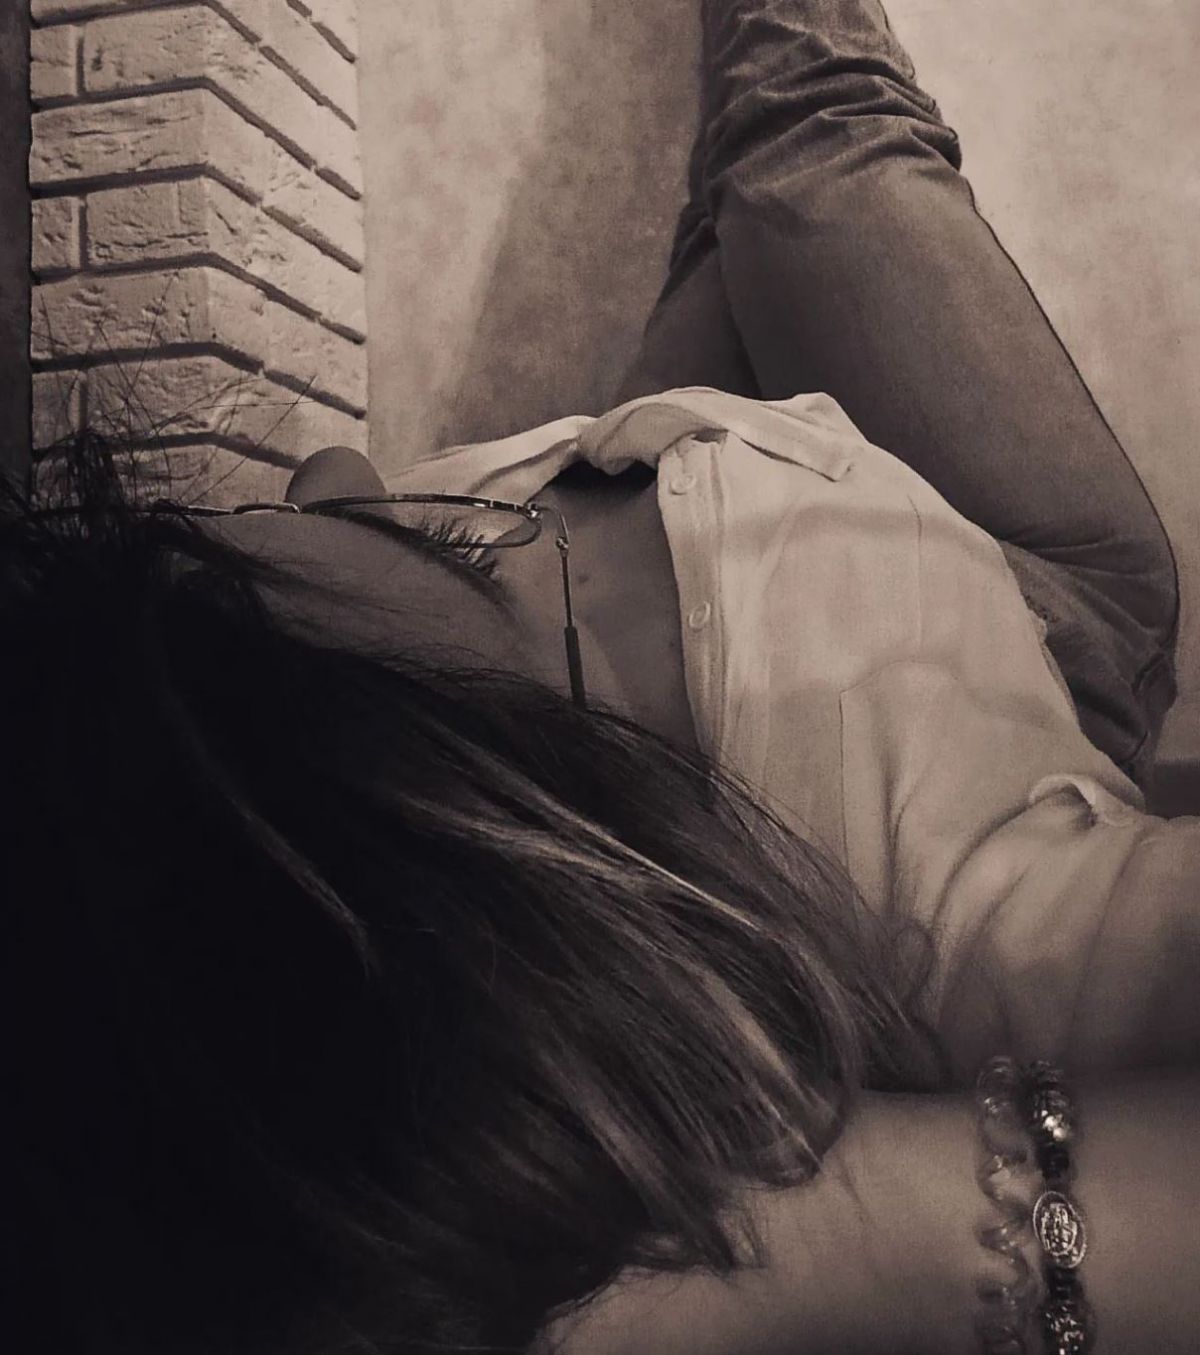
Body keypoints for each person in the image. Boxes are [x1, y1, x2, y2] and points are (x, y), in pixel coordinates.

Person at [4, 3, 1198, 1354]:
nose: (304, 502)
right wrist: (774, 1238)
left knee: (728, 223)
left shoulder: (268, 685)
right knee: (813, 118)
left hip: (645, 444)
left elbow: (332, 482)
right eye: (473, 566)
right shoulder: (970, 936)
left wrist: (369, 525)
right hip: (1048, 592)